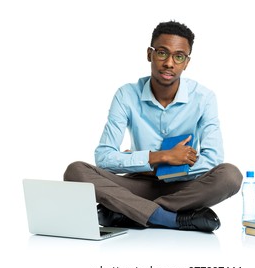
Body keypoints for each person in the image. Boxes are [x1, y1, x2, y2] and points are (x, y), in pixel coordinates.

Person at [64, 20, 242, 232]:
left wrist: (149, 167)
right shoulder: (126, 95)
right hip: (138, 185)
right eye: (162, 53)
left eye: (179, 56)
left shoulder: (204, 98)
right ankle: (170, 219)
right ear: (149, 54)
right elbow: (103, 157)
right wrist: (161, 157)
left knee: (230, 176)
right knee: (75, 171)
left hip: (185, 188)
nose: (169, 63)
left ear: (186, 62)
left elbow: (212, 160)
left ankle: (130, 212)